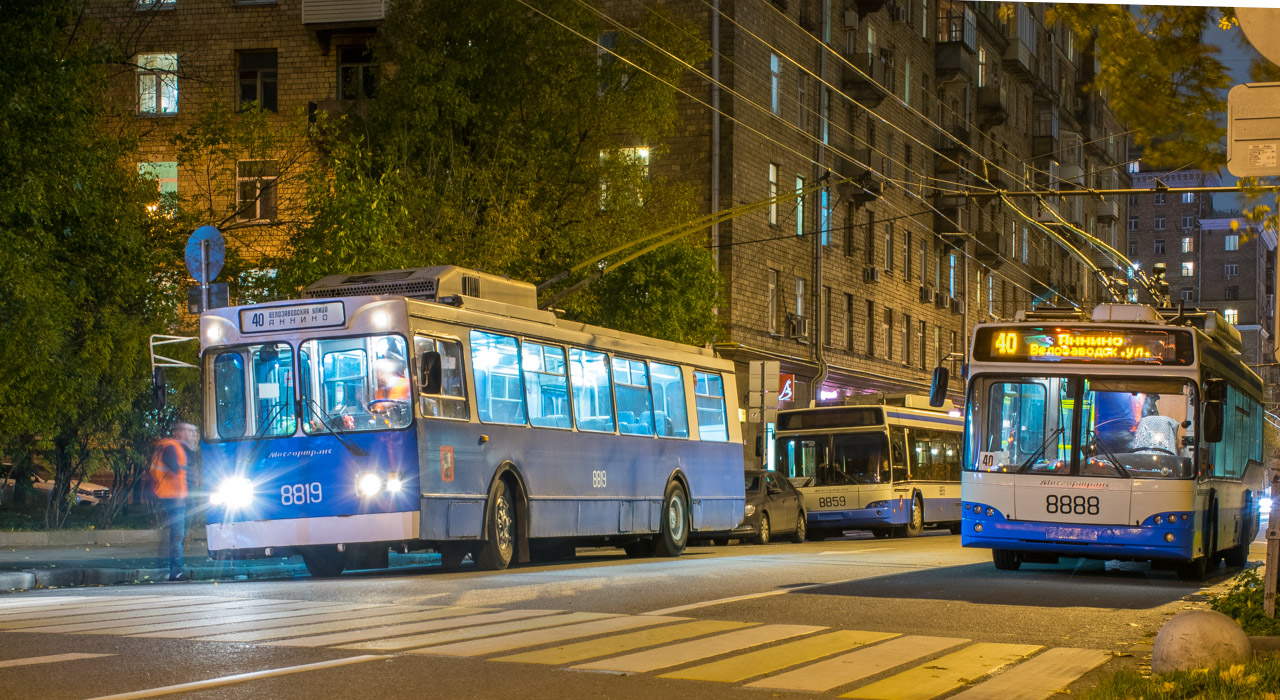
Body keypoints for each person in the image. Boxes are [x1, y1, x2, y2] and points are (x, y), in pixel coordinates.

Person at [150, 422, 196, 581]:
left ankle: (172, 568)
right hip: (175, 499)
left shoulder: (184, 449)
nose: (192, 435)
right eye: (189, 431)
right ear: (180, 432)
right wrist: (180, 499)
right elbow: (176, 472)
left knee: (179, 536)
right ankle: (175, 572)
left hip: (184, 498)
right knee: (177, 536)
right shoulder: (171, 448)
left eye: (193, 432)